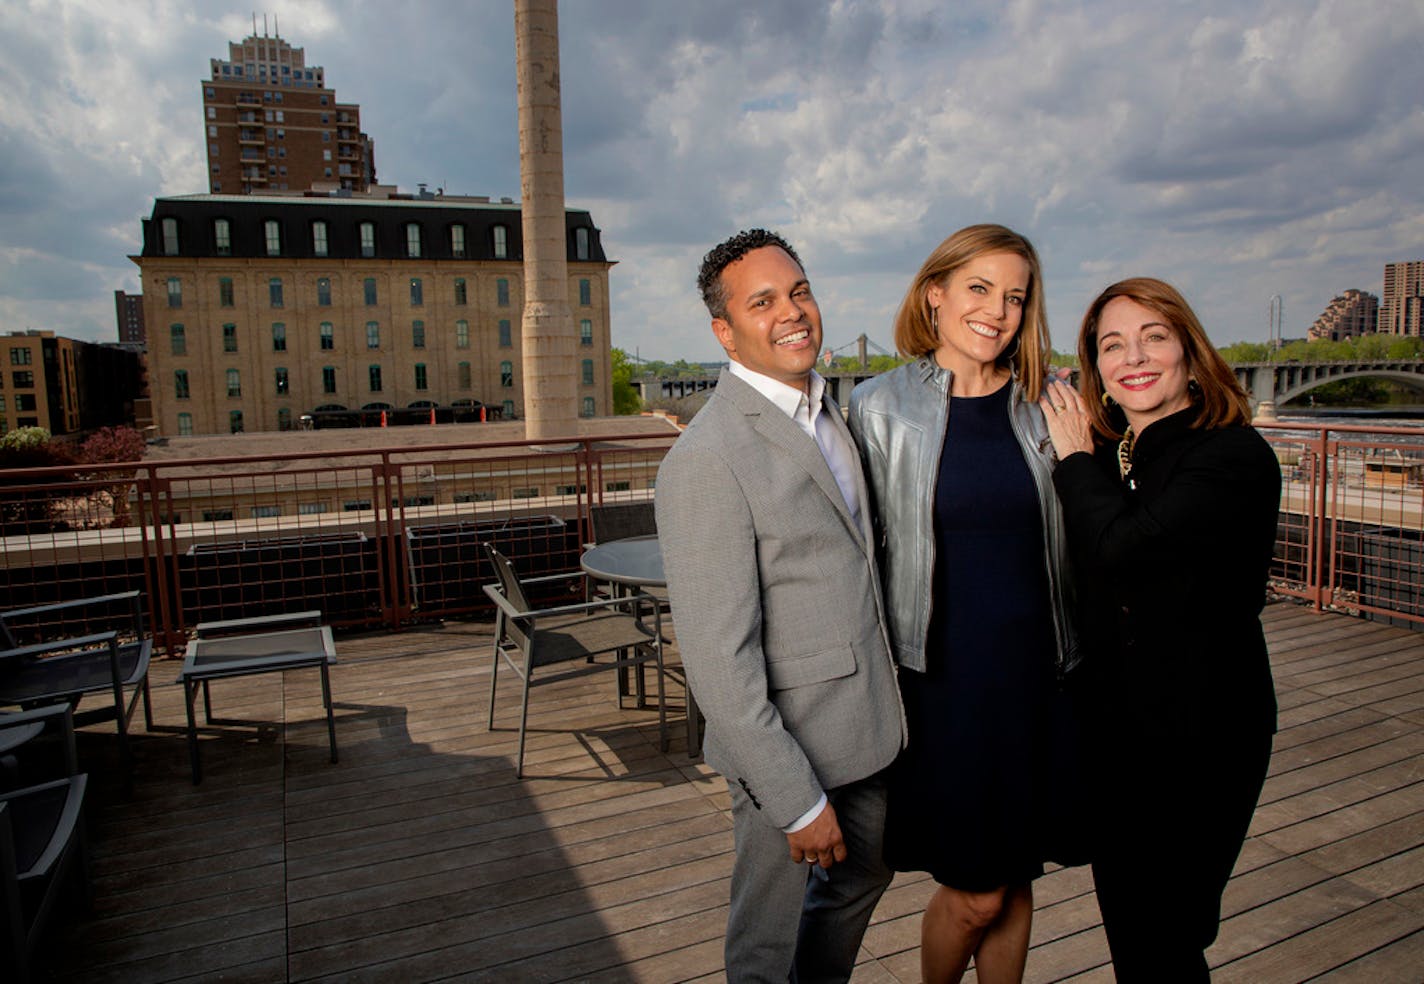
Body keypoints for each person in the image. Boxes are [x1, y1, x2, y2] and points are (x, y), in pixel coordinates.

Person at [655, 229, 907, 983]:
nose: (792, 312)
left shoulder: (836, 414)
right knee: (765, 948)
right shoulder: (706, 459)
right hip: (786, 750)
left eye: (799, 291)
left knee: (862, 878)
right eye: (763, 302)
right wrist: (796, 803)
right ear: (724, 332)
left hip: (865, 726)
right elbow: (718, 665)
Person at [847, 224, 1082, 984]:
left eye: (1015, 295)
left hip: (1039, 679)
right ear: (935, 294)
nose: (998, 310)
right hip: (942, 683)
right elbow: (854, 554)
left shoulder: (1050, 402)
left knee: (1013, 883)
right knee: (976, 894)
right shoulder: (877, 407)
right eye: (979, 288)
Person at [1039, 278, 1280, 980]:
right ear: (1097, 368)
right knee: (1138, 938)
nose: (1133, 358)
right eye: (1113, 344)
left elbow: (1124, 549)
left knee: (1166, 934)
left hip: (1203, 736)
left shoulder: (1229, 456)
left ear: (1189, 351)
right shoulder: (1126, 451)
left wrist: (1074, 458)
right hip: (1118, 738)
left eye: (1153, 337)